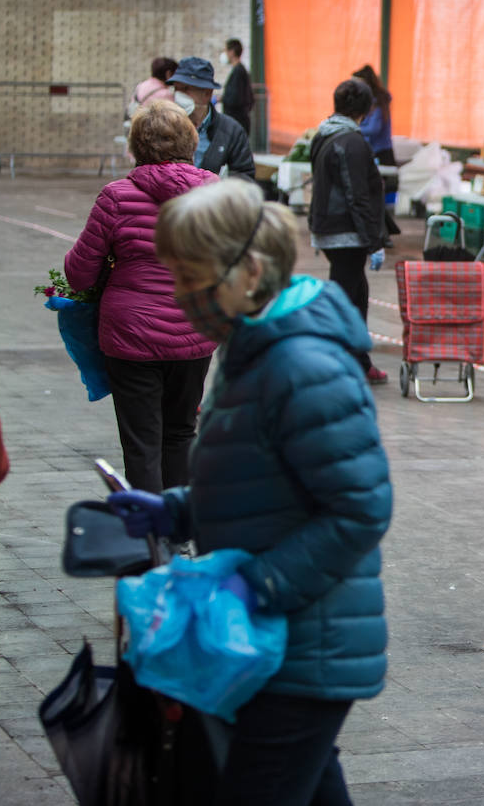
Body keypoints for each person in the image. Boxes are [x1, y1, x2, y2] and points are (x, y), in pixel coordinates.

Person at [105, 178, 392, 806]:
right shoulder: (252, 347)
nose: (180, 293)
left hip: (303, 645)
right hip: (279, 645)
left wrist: (257, 583)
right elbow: (256, 481)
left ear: (250, 271)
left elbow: (360, 508)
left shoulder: (302, 366)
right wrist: (174, 510)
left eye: (190, 275)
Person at [64, 100, 219, 492]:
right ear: (189, 141)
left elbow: (79, 275)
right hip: (194, 330)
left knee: (141, 443)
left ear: (137, 146)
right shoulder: (215, 192)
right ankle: (179, 530)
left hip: (130, 337)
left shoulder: (116, 197)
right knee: (181, 432)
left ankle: (150, 538)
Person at [309, 78, 389, 384]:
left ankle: (358, 360)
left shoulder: (325, 133)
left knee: (357, 294)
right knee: (345, 299)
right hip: (347, 233)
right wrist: (373, 241)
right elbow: (358, 195)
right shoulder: (352, 142)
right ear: (365, 109)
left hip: (330, 228)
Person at [168, 56, 255, 182]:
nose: (178, 95)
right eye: (176, 89)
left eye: (186, 89)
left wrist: (217, 190)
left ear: (207, 94)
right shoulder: (163, 128)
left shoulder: (231, 131)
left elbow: (244, 177)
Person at [351, 64, 402, 239]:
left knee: (380, 194)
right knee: (372, 194)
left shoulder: (377, 103)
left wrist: (353, 127)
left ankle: (382, 233)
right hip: (371, 151)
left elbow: (374, 128)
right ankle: (377, 232)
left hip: (382, 154)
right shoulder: (367, 102)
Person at [220, 39, 255, 136]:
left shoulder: (238, 72)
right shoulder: (239, 70)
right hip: (238, 121)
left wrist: (223, 99)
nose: (224, 54)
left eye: (226, 50)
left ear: (232, 52)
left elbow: (235, 98)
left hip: (236, 122)